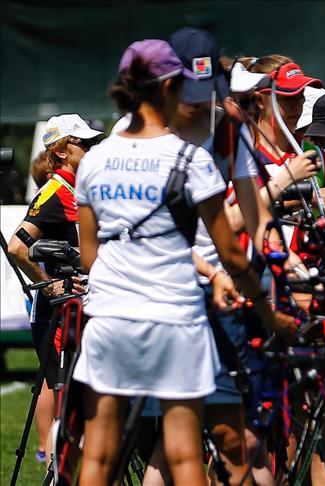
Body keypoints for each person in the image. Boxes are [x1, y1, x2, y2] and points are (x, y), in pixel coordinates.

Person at [72, 39, 294, 486]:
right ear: (171, 86)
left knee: (97, 455)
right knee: (185, 454)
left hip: (110, 317)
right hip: (176, 319)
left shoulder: (93, 159)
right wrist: (269, 315)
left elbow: (90, 256)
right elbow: (231, 252)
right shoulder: (189, 159)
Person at [7, 114, 102, 465]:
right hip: (60, 314)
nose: (91, 149)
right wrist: (50, 284)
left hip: (83, 307)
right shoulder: (56, 191)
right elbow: (18, 246)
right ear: (62, 152)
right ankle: (55, 472)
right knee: (70, 408)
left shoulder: (78, 189)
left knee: (87, 405)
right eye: (84, 143)